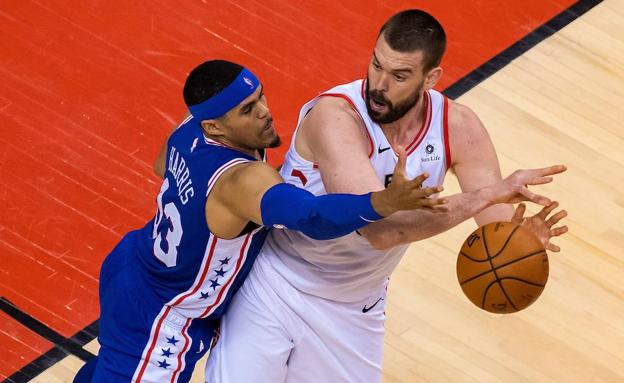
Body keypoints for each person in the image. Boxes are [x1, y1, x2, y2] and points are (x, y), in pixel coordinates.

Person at [205, 9, 568, 383]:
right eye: (376, 65)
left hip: (354, 305)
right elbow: (381, 231)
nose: (379, 84)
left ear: (431, 78)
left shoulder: (459, 128)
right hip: (276, 284)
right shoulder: (336, 117)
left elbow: (495, 229)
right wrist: (492, 193)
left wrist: (523, 242)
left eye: (399, 76)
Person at [73, 59, 449, 383]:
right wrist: (382, 202)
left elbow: (161, 165)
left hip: (131, 266)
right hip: (163, 316)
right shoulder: (242, 180)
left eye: (260, 97)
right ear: (216, 128)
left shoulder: (190, 127)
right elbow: (311, 217)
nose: (265, 111)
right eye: (247, 110)